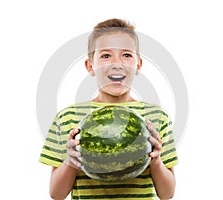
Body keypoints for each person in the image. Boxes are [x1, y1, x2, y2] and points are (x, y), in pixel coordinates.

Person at [39, 18, 178, 200]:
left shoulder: (157, 117)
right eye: (106, 55)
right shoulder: (68, 117)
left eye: (126, 55)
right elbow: (56, 194)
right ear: (90, 66)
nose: (116, 63)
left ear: (138, 65)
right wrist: (71, 161)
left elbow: (167, 194)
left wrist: (156, 160)